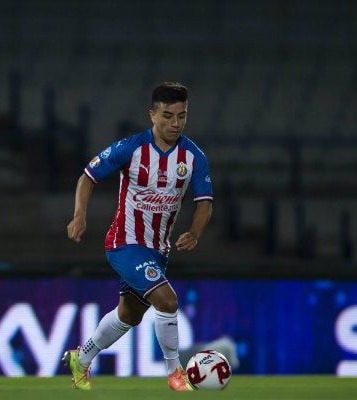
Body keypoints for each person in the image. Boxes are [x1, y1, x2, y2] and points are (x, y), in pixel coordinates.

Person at [64, 82, 214, 390]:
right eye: (168, 115)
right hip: (124, 243)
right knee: (168, 301)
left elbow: (205, 202)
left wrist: (195, 232)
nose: (176, 123)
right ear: (152, 115)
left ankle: (82, 357)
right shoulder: (131, 148)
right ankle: (175, 374)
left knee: (128, 316)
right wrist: (80, 214)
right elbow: (87, 177)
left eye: (182, 116)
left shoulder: (194, 157)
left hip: (158, 250)